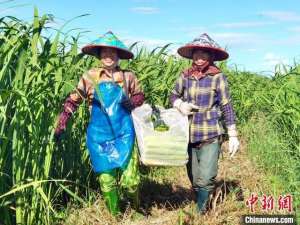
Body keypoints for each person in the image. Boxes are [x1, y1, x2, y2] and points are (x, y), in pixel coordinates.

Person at [54, 31, 145, 216]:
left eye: (112, 53)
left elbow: (140, 95)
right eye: (104, 52)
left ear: (119, 56)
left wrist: (133, 102)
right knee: (106, 179)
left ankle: (135, 209)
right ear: (99, 55)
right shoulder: (90, 77)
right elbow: (74, 99)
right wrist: (62, 120)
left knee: (131, 180)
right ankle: (115, 215)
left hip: (124, 133)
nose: (108, 56)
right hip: (99, 136)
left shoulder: (128, 77)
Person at [170, 33, 240, 214]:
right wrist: (180, 104)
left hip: (211, 132)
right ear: (192, 55)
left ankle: (200, 213)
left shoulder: (218, 77)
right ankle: (202, 197)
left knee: (206, 177)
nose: (199, 58)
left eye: (204, 54)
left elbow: (226, 105)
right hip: (190, 132)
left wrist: (233, 135)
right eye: (196, 54)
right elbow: (173, 94)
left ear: (211, 57)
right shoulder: (185, 75)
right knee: (194, 178)